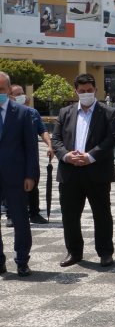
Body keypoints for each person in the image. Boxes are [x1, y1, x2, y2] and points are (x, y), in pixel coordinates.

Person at [51, 73, 115, 268]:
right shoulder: (65, 112)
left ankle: (105, 252)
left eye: (89, 91)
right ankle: (74, 252)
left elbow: (111, 139)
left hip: (96, 172)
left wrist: (89, 156)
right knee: (70, 215)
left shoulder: (108, 112)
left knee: (102, 214)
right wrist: (66, 155)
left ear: (96, 90)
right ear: (76, 91)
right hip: (69, 172)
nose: (86, 94)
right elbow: (56, 140)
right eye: (82, 91)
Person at [0, 72, 39, 276]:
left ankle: (22, 260)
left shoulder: (23, 113)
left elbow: (31, 147)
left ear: (8, 90)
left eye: (1, 89)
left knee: (21, 220)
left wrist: (30, 175)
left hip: (16, 176)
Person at [9, 84, 53, 224]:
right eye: (18, 94)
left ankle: (34, 213)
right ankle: (11, 215)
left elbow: (42, 130)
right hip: (12, 157)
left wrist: (50, 145)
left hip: (30, 156)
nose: (22, 96)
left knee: (33, 184)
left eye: (22, 93)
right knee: (12, 186)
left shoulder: (32, 112)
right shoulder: (5, 113)